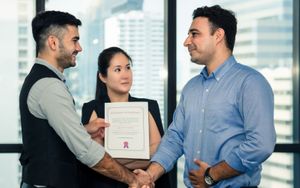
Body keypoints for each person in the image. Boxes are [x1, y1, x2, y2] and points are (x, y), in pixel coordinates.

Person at [135, 5, 276, 188]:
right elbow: (175, 138)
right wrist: (149, 175)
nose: (186, 41)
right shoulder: (191, 88)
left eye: (194, 34)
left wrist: (212, 175)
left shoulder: (251, 83)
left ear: (218, 36)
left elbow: (261, 144)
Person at [19, 10, 151, 188]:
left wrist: (84, 129)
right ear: (53, 42)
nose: (79, 48)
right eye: (74, 40)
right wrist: (132, 180)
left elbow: (50, 133)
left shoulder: (40, 79)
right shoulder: (50, 86)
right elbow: (86, 150)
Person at [80, 46, 171, 188]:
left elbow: (159, 151)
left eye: (128, 68)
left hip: (145, 183)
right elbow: (96, 159)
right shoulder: (94, 109)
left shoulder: (149, 106)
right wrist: (141, 156)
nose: (125, 75)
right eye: (118, 69)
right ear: (103, 77)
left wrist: (113, 160)